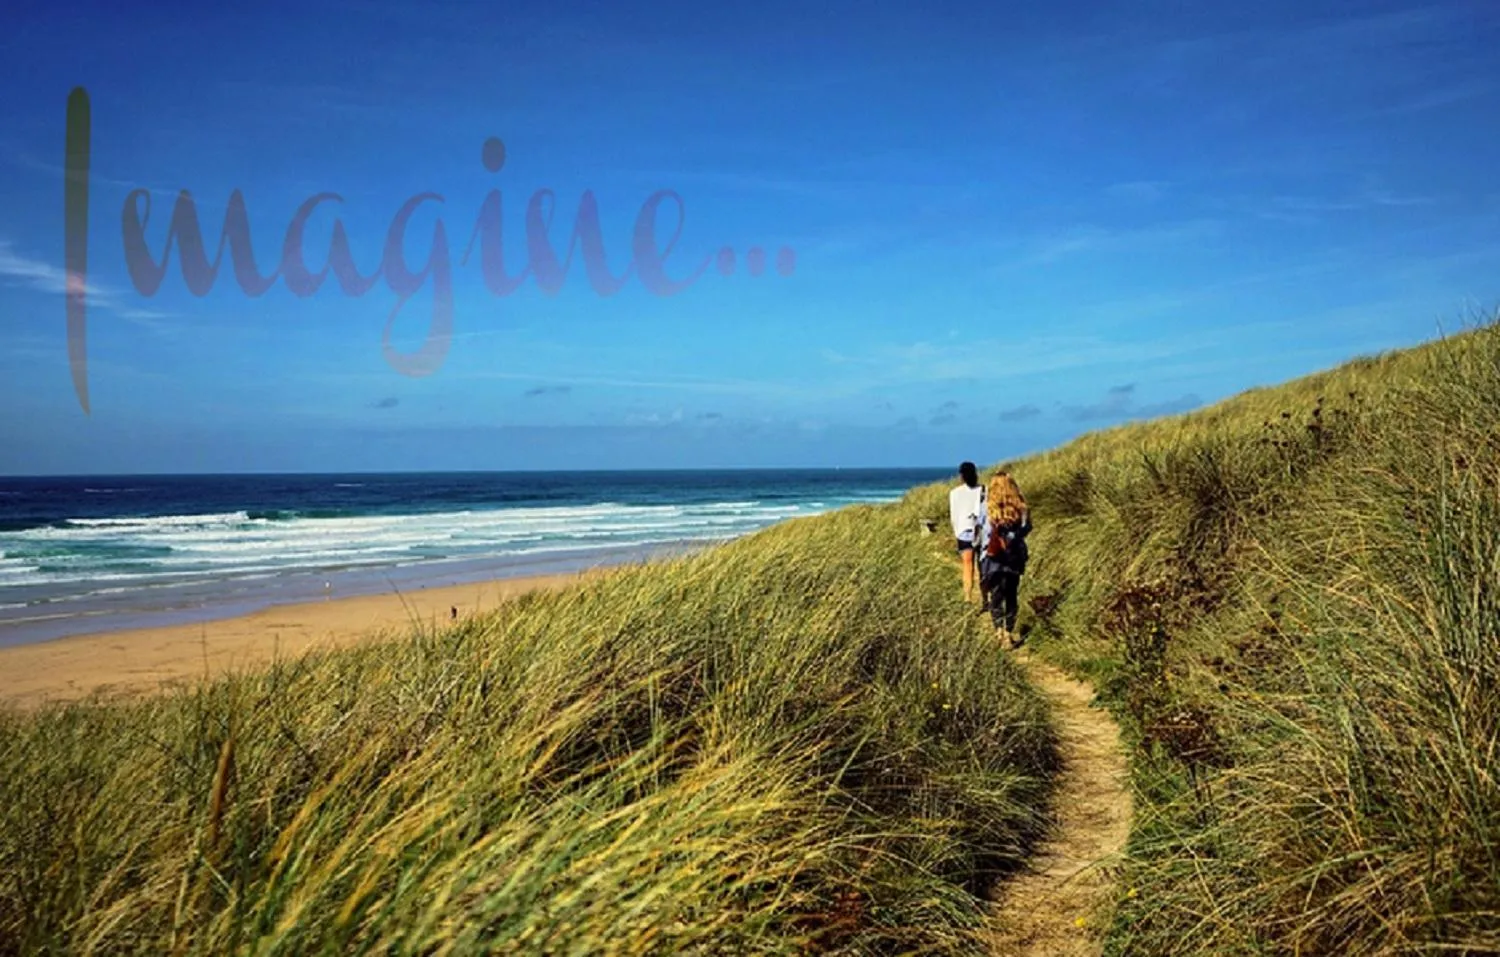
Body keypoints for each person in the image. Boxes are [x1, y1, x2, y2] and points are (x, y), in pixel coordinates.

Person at [980, 470, 1032, 647]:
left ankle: (999, 632)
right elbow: (1027, 528)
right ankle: (1009, 633)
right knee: (1011, 595)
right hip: (1014, 556)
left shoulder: (987, 507)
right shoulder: (1022, 507)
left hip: (993, 556)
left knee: (995, 595)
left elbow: (984, 531)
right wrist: (1013, 536)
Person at [948, 462, 986, 602]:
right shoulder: (983, 490)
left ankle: (967, 597)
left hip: (963, 531)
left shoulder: (955, 493)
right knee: (983, 567)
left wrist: (956, 532)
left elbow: (954, 515)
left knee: (967, 565)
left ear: (961, 475)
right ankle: (985, 599)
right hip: (980, 530)